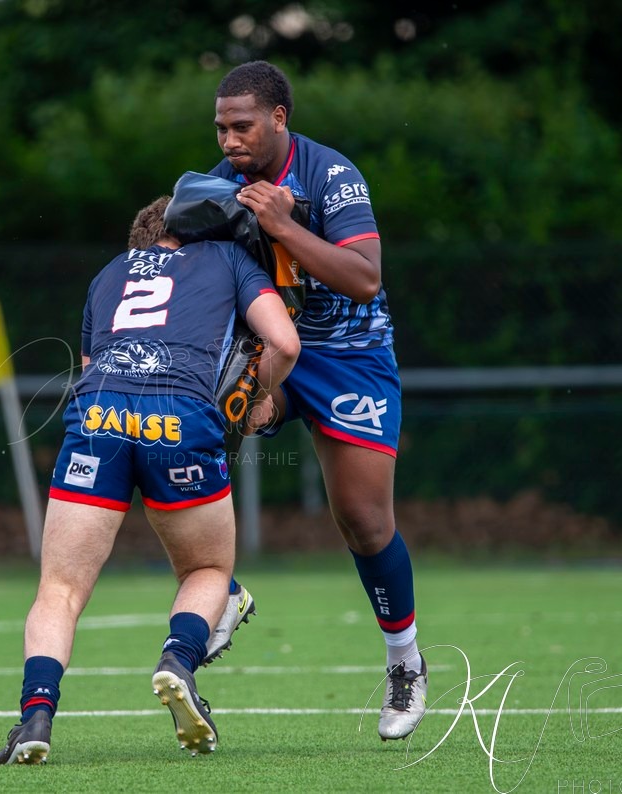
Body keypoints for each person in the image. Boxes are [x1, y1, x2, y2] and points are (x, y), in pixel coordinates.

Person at [0, 195, 300, 764]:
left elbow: (91, 366)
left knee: (60, 588)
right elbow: (285, 343)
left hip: (98, 413)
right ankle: (178, 658)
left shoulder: (109, 272)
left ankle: (35, 715)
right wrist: (257, 397)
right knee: (207, 570)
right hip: (180, 416)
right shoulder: (227, 258)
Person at [203, 60, 428, 741]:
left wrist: (283, 224)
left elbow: (365, 278)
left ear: (279, 119)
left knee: (363, 520)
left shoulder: (332, 175)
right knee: (184, 445)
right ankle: (218, 593)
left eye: (242, 126)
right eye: (221, 128)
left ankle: (405, 661)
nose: (230, 140)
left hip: (350, 359)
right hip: (269, 349)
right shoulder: (218, 184)